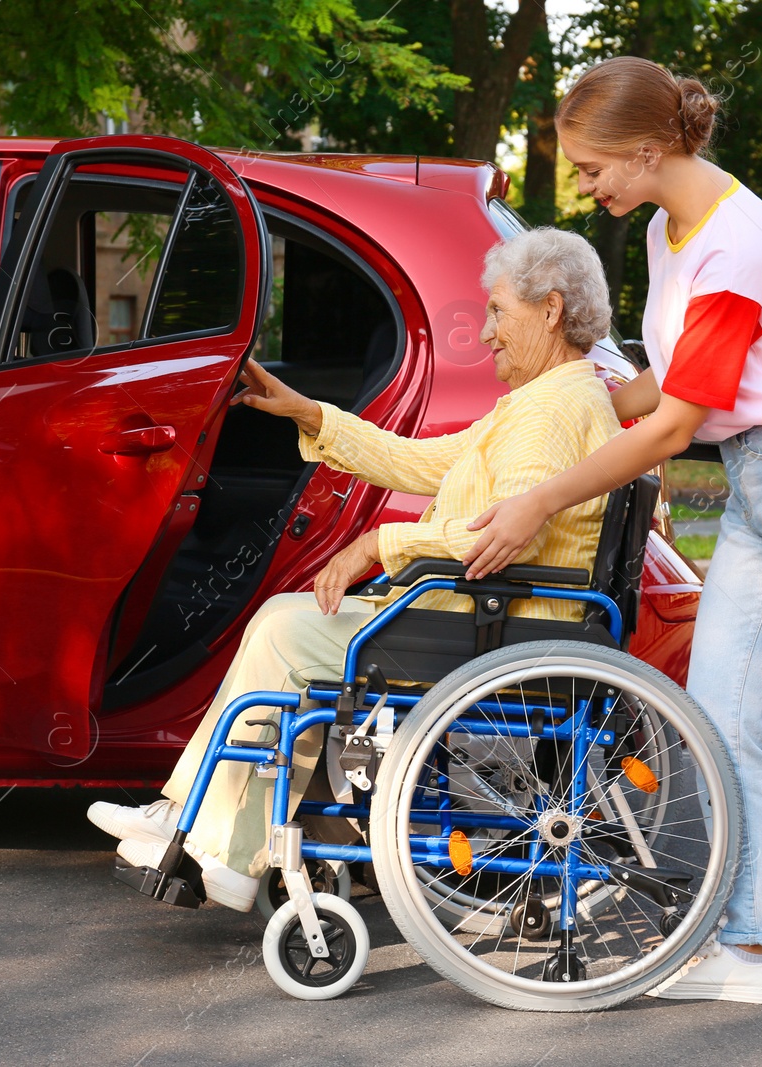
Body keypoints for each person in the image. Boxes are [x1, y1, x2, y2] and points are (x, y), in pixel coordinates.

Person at [461, 57, 762, 1057]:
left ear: (649, 149)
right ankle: (745, 945)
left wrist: (543, 494)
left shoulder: (734, 249)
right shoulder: (662, 228)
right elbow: (659, 388)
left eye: (597, 166)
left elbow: (674, 424)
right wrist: (546, 409)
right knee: (721, 721)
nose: (588, 185)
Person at [89, 227, 622, 912]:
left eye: (497, 311)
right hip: (488, 616)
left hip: (494, 626)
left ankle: (215, 840)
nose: (486, 332)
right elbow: (422, 461)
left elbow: (505, 533)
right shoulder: (547, 401)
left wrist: (378, 545)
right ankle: (210, 830)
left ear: (549, 311)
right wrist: (311, 414)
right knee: (292, 620)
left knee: (288, 631)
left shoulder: (553, 412)